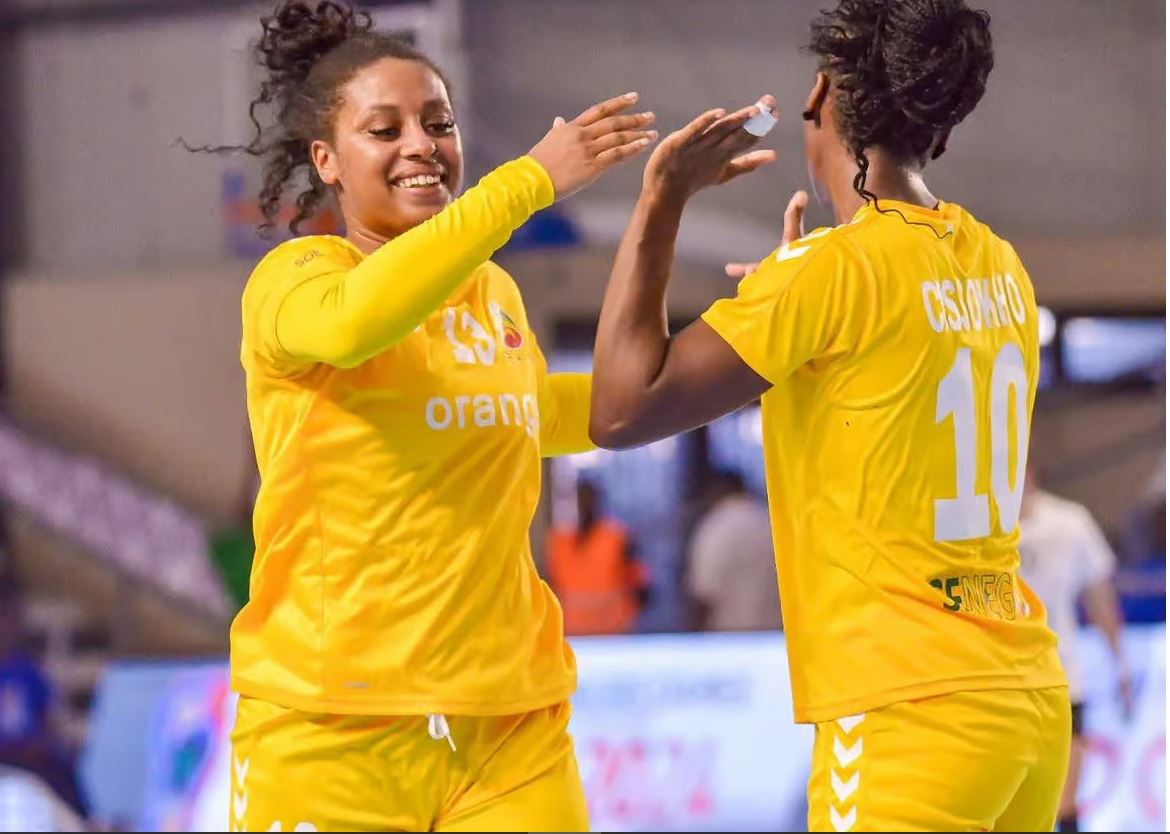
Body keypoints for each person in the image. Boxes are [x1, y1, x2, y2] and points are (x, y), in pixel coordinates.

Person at [589, 1, 1069, 830]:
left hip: (905, 710)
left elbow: (619, 410)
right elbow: (883, 373)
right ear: (940, 131)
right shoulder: (998, 263)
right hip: (1023, 701)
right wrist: (790, 295)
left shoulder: (827, 275)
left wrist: (662, 199)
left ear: (821, 97)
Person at [210, 1, 657, 830]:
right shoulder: (296, 281)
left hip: (508, 729)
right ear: (328, 161)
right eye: (385, 130)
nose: (421, 144)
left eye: (438, 122)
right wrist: (525, 184)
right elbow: (354, 324)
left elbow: (540, 410)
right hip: (328, 732)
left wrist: (747, 361)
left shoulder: (492, 292)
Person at [1018, 466, 1131, 833]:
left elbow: (1100, 599)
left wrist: (1122, 666)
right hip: (998, 682)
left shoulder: (1069, 523)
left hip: (1061, 681)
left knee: (1065, 805)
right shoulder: (977, 526)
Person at [545, 479, 648, 636]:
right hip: (571, 635)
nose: (583, 505)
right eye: (579, 500)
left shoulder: (618, 538)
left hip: (613, 635)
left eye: (588, 499)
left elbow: (643, 590)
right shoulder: (558, 542)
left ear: (598, 502)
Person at [686, 469, 780, 632]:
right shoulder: (770, 522)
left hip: (730, 640)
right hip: (777, 638)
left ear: (716, 490)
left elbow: (704, 593)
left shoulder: (716, 527)